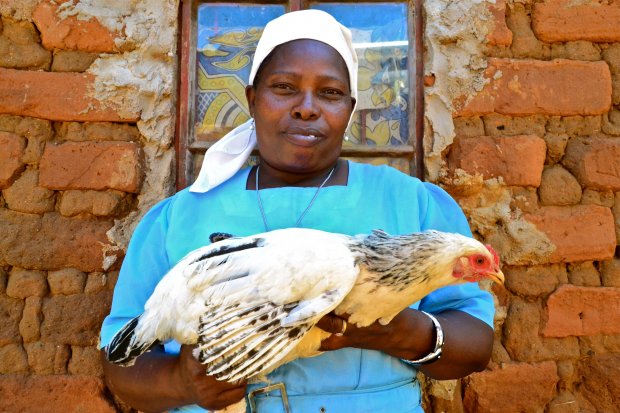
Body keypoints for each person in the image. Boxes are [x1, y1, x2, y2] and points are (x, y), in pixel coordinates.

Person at [99, 9, 495, 413]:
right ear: (253, 99)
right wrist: (182, 381)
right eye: (284, 87)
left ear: (349, 108)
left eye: (330, 93)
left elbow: (476, 346)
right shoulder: (177, 218)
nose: (307, 108)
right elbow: (120, 360)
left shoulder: (412, 204)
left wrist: (393, 330)